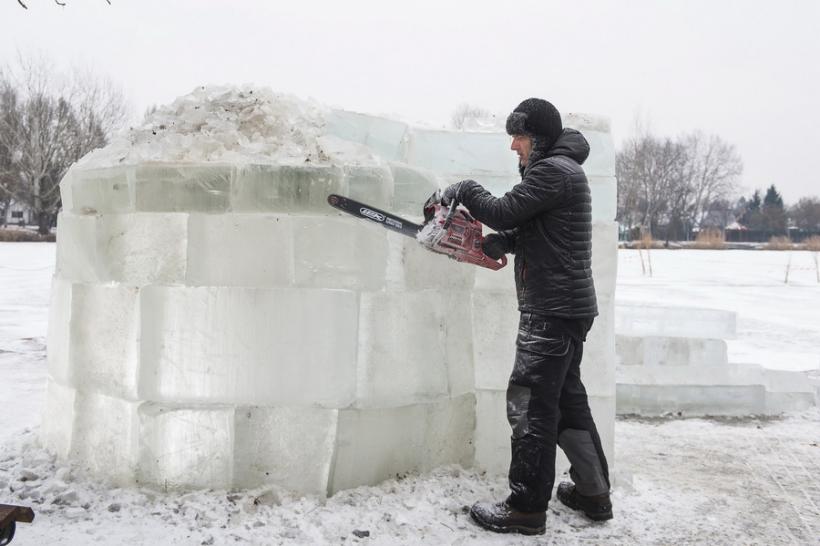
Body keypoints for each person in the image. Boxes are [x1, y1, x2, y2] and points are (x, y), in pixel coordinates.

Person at [442, 98, 612, 535]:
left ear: (537, 137)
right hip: (569, 309)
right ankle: (593, 493)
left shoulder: (553, 170)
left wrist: (464, 189)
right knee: (567, 401)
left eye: (518, 137)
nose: (513, 146)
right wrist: (507, 242)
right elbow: (541, 228)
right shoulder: (564, 171)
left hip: (550, 311)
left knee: (530, 406)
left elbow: (500, 209)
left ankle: (525, 508)